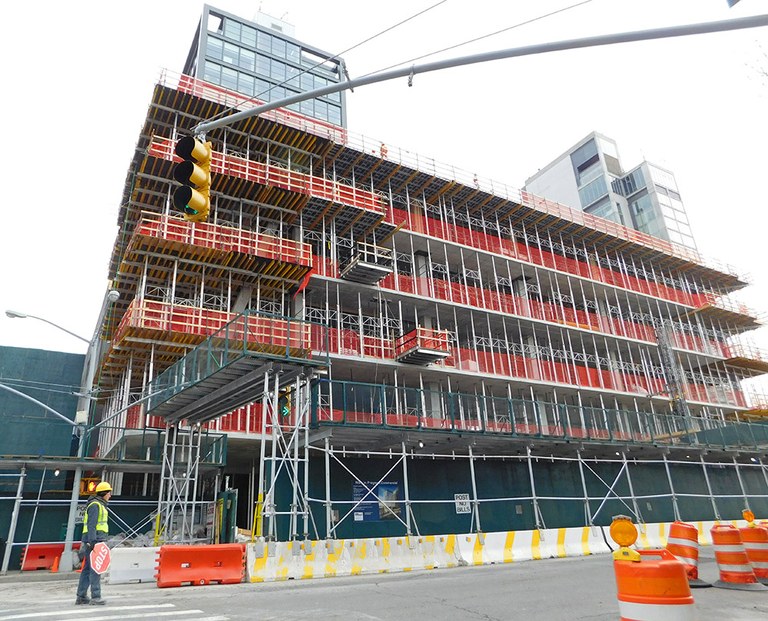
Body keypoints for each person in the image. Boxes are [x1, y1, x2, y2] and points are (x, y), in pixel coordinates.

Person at [75, 481, 112, 605]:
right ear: (104, 493)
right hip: (94, 541)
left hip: (94, 540)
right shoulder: (96, 505)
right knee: (96, 569)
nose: (110, 496)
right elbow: (92, 525)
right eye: (109, 493)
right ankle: (96, 596)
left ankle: (81, 596)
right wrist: (93, 542)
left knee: (87, 569)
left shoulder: (98, 504)